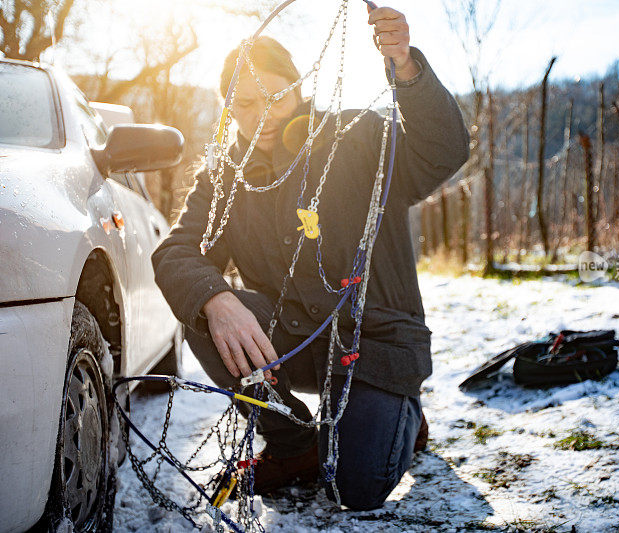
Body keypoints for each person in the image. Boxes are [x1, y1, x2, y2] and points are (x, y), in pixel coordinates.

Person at [151, 6, 469, 511]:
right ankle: (294, 444)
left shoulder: (357, 137)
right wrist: (216, 299)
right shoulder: (225, 177)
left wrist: (406, 68)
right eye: (245, 105)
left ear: (298, 85)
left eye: (274, 96)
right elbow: (176, 251)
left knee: (357, 489)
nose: (261, 115)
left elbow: (443, 151)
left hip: (377, 343)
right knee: (206, 314)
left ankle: (400, 411)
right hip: (297, 339)